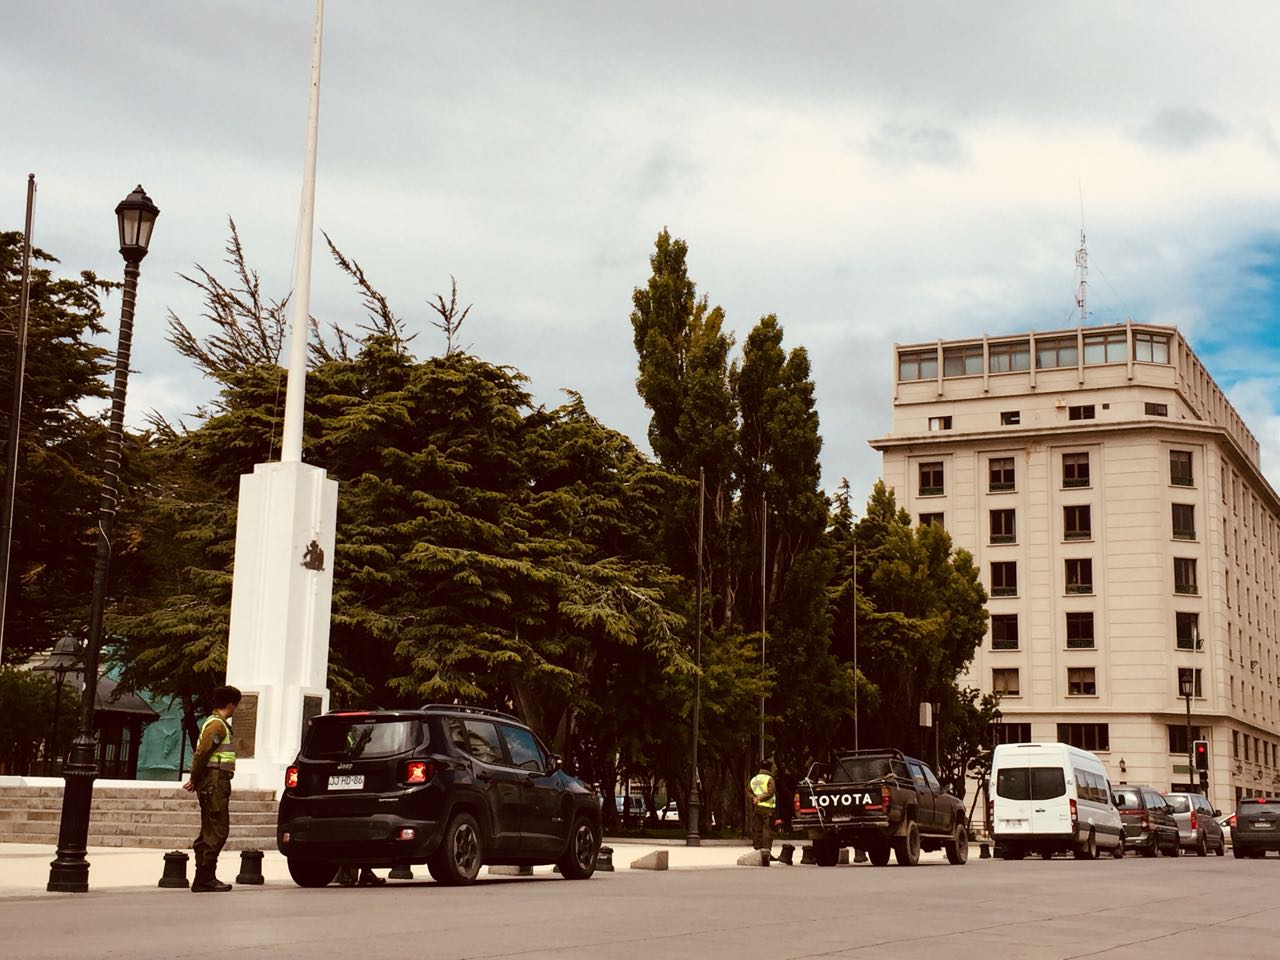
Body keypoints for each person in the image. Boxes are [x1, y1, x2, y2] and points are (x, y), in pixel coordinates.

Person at [183, 685, 242, 892]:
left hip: (214, 780)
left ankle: (204, 876)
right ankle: (205, 877)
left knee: (210, 828)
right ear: (230, 704)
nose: (236, 709)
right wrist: (194, 777)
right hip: (215, 781)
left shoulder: (216, 724)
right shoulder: (217, 725)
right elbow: (202, 753)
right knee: (217, 829)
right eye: (236, 705)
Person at [747, 759, 777, 853]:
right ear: (770, 768)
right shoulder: (769, 779)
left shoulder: (754, 779)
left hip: (757, 808)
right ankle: (766, 851)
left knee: (757, 828)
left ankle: (757, 850)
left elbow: (748, 791)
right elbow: (771, 792)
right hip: (768, 808)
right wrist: (760, 798)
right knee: (767, 829)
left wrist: (754, 798)